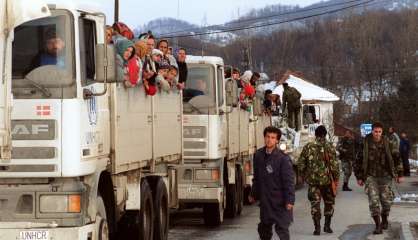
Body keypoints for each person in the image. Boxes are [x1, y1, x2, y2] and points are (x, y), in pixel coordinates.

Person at [354, 122, 403, 234]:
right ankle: (378, 225)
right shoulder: (365, 143)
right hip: (371, 177)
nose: (377, 134)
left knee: (386, 202)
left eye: (379, 132)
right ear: (372, 131)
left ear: (382, 132)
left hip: (385, 176)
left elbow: (397, 158)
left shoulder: (388, 142)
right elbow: (358, 161)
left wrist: (400, 174)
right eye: (375, 131)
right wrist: (359, 177)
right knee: (373, 201)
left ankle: (384, 218)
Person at [250, 126, 295, 240]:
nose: (269, 140)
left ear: (277, 141)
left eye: (273, 137)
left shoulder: (283, 159)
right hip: (266, 200)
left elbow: (289, 181)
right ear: (264, 138)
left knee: (282, 229)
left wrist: (290, 200)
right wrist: (253, 194)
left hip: (280, 201)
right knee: (264, 229)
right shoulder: (258, 155)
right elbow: (257, 178)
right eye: (267, 137)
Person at [298, 125, 339, 236]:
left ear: (315, 134)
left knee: (315, 205)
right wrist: (336, 179)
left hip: (313, 182)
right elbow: (334, 166)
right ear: (325, 134)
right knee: (329, 203)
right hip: (327, 182)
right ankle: (327, 226)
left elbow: (301, 163)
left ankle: (317, 228)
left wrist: (303, 175)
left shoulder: (308, 146)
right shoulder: (330, 147)